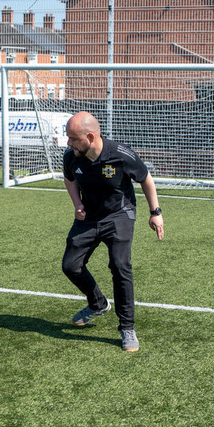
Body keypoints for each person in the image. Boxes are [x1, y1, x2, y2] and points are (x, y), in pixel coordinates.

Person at [61, 111, 164, 351]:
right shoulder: (71, 156)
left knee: (120, 266)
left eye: (73, 138)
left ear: (90, 137)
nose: (68, 143)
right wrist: (77, 203)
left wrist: (155, 212)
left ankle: (127, 327)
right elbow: (69, 179)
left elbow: (146, 179)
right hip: (89, 217)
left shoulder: (120, 155)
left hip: (120, 215)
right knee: (70, 266)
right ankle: (97, 304)